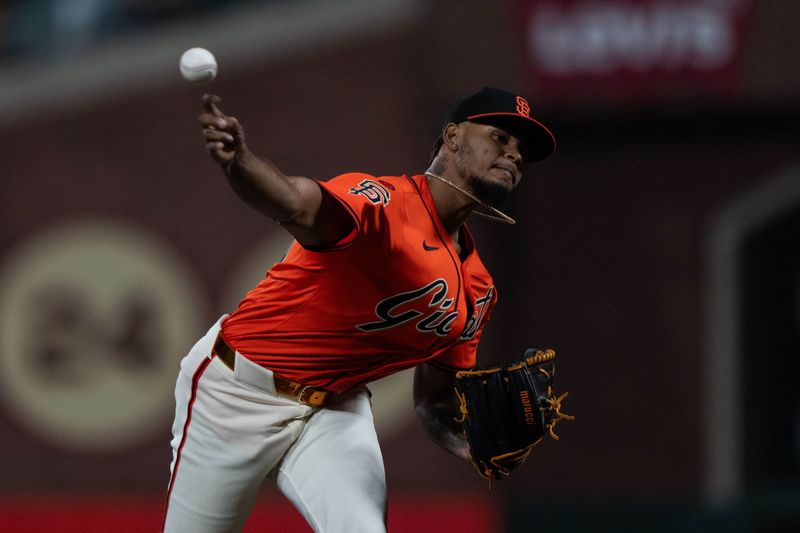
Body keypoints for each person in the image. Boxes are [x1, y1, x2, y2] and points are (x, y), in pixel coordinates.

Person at [162, 86, 556, 532]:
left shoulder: (478, 288)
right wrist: (240, 163)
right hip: (234, 392)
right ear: (452, 136)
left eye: (522, 149)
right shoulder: (382, 204)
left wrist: (473, 445)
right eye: (500, 136)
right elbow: (294, 202)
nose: (515, 154)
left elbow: (434, 402)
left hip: (335, 409)